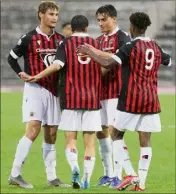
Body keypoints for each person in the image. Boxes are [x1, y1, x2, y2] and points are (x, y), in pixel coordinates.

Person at [76, 12, 171, 191]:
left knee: (116, 134)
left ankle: (130, 174)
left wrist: (89, 52)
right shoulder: (155, 45)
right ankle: (141, 184)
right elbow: (168, 61)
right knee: (145, 139)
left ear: (132, 27)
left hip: (132, 97)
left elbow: (108, 64)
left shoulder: (130, 46)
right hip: (151, 99)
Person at [23, 15, 102, 189]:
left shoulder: (65, 43)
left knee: (70, 139)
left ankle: (74, 167)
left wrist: (37, 75)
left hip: (71, 98)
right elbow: (104, 66)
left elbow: (57, 65)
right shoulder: (96, 44)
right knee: (89, 143)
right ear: (87, 28)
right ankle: (87, 178)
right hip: (92, 99)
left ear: (72, 29)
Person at [7, 1, 70, 189]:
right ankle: (15, 174)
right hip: (35, 90)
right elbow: (11, 57)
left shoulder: (61, 39)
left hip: (54, 92)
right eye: (51, 14)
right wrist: (21, 74)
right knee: (33, 129)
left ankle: (52, 178)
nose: (55, 18)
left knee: (51, 134)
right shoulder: (29, 38)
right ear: (41, 14)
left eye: (56, 14)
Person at [95, 5, 131, 188]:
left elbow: (118, 60)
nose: (101, 23)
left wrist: (95, 54)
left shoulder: (123, 37)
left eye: (104, 19)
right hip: (100, 93)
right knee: (100, 132)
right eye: (99, 20)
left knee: (114, 133)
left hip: (116, 92)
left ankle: (118, 175)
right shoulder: (98, 40)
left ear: (114, 18)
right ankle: (108, 173)